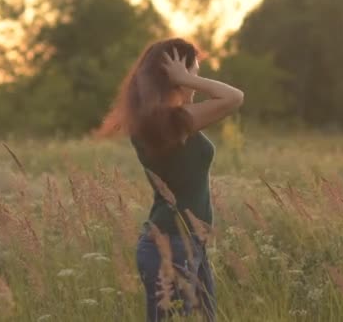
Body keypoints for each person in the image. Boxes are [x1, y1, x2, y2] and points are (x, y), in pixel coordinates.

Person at [98, 38, 243, 321]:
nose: (197, 78)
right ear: (173, 77)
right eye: (194, 71)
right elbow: (234, 98)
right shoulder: (172, 122)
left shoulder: (158, 121)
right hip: (172, 246)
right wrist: (185, 78)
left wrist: (185, 82)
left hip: (183, 243)